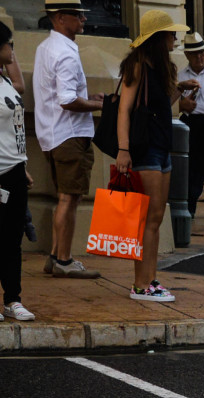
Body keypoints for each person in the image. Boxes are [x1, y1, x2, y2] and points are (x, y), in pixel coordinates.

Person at [115, 10, 198, 302]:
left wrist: (179, 94)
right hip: (144, 149)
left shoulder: (159, 67)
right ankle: (141, 283)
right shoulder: (136, 65)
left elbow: (158, 107)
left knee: (156, 218)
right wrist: (123, 150)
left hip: (161, 147)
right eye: (171, 33)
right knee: (147, 220)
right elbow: (124, 109)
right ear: (158, 38)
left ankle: (149, 279)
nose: (175, 38)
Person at [33, 0, 102, 279]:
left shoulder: (45, 47)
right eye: (78, 15)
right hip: (70, 134)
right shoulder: (66, 53)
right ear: (60, 18)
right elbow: (67, 100)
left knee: (64, 198)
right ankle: (64, 259)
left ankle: (55, 256)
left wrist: (90, 99)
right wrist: (98, 106)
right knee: (69, 199)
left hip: (52, 134)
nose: (84, 19)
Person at [0, 21, 35, 321]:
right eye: (8, 44)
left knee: (12, 239)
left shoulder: (6, 83)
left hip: (14, 170)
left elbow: (15, 128)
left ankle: (12, 299)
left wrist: (22, 165)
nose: (12, 49)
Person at [177, 31, 204, 218]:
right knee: (192, 167)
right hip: (192, 122)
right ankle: (191, 208)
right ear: (187, 55)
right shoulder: (180, 76)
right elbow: (171, 101)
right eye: (195, 53)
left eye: (202, 52)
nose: (199, 56)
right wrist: (181, 104)